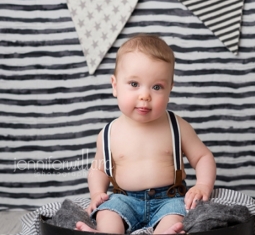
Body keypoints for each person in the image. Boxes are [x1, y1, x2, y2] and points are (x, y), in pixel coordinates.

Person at [76, 34, 216, 234]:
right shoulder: (109, 133)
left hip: (169, 199)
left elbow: (203, 157)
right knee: (107, 212)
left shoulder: (176, 126)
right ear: (115, 86)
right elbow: (99, 169)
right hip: (124, 199)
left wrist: (203, 185)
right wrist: (97, 192)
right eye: (134, 84)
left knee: (175, 217)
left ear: (169, 89)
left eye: (157, 87)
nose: (145, 96)